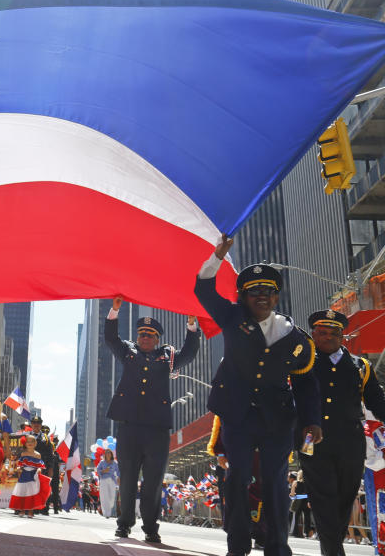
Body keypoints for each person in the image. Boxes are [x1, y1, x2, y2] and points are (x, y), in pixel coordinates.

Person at [195, 234, 322, 556]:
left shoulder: (297, 339)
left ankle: (278, 547)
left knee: (276, 483)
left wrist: (311, 421)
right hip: (238, 416)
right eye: (253, 292)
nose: (261, 297)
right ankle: (237, 546)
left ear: (276, 297)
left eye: (267, 292)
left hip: (278, 421)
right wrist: (218, 255)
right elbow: (203, 288)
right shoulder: (233, 318)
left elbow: (306, 382)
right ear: (243, 297)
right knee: (237, 480)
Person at [105, 296, 200, 542]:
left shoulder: (166, 357)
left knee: (154, 480)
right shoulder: (128, 352)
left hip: (157, 429)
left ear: (157, 339)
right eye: (141, 335)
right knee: (127, 478)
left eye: (149, 335)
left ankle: (150, 527)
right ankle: (124, 523)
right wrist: (114, 311)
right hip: (129, 427)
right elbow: (110, 339)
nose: (144, 339)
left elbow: (189, 353)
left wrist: (191, 326)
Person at [299, 309, 385, 556]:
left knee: (345, 499)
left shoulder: (361, 366)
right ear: (313, 334)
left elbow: (377, 403)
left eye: (334, 333)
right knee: (323, 497)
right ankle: (334, 551)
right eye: (322, 332)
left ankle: (332, 547)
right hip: (310, 440)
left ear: (343, 335)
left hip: (351, 442)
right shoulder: (302, 362)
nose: (328, 337)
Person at [9, 435, 51, 518]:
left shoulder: (38, 455)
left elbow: (40, 465)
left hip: (33, 475)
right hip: (24, 475)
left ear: (35, 443)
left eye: (32, 441)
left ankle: (31, 511)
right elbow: (21, 464)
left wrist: (39, 469)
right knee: (23, 492)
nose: (30, 443)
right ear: (25, 443)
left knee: (31, 492)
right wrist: (18, 468)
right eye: (28, 441)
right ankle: (22, 510)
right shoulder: (23, 453)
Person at [30, 417, 55, 515]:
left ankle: (39, 508)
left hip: (41, 467)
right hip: (28, 466)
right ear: (31, 424)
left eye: (38, 422)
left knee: (39, 488)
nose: (36, 424)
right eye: (34, 422)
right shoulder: (26, 436)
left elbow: (50, 455)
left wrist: (51, 468)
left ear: (41, 424)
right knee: (27, 486)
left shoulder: (46, 438)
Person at [97, 449, 120, 517]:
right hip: (103, 480)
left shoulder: (114, 463)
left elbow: (118, 471)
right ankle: (106, 513)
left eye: (109, 453)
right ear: (105, 455)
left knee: (112, 498)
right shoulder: (102, 462)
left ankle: (108, 509)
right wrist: (103, 471)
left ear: (111, 454)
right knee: (104, 497)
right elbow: (98, 470)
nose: (108, 454)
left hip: (112, 480)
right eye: (107, 453)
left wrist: (119, 477)